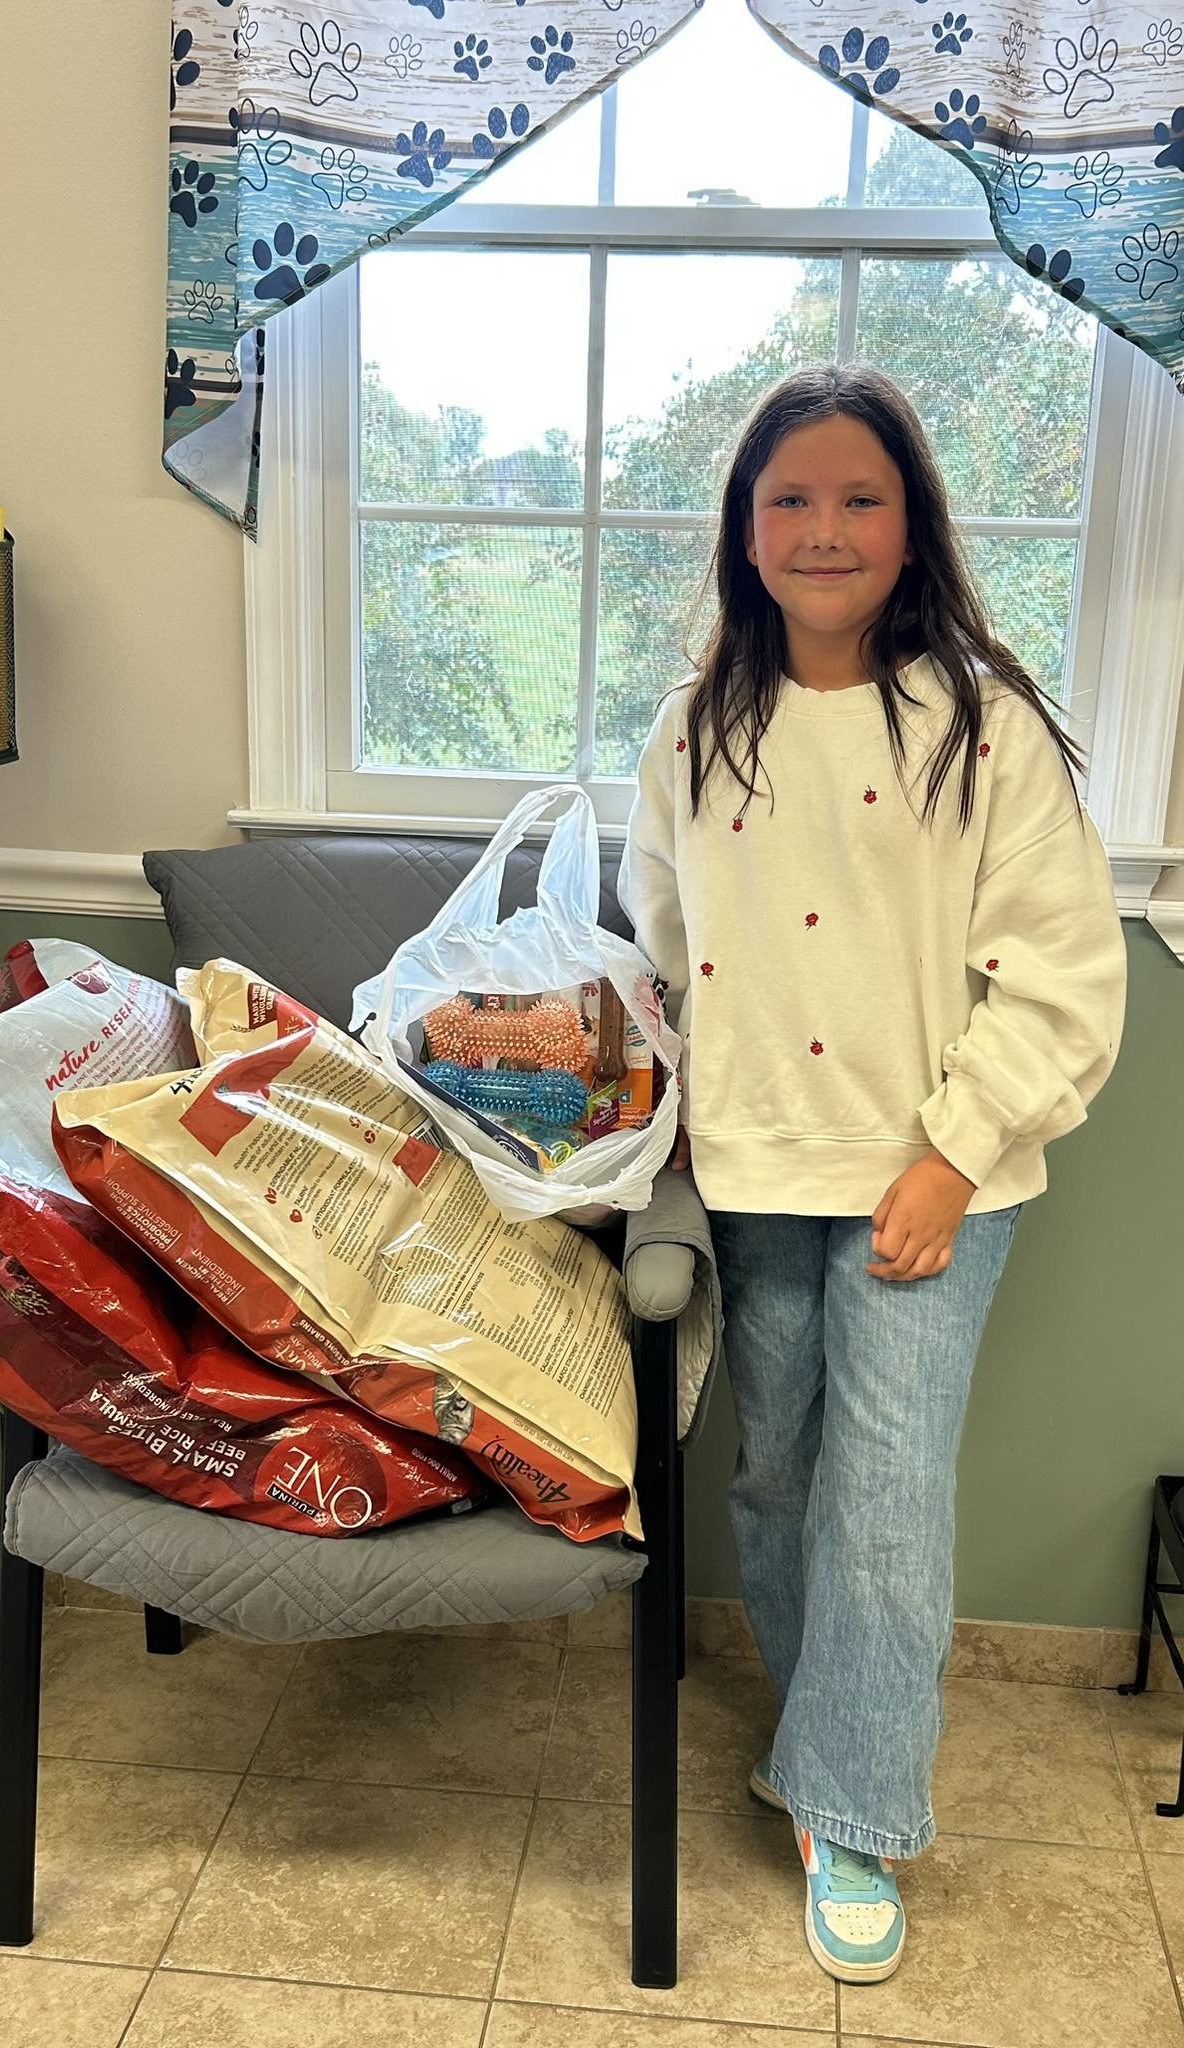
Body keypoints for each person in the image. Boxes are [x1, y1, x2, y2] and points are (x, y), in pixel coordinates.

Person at [617, 362, 1127, 1986]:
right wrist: (673, 1105)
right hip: (757, 1165)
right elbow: (663, 941)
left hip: (931, 1177)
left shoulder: (979, 726)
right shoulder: (697, 725)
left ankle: (849, 1805)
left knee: (887, 1496)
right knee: (777, 1475)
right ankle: (823, 1720)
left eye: (856, 497)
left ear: (909, 528)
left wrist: (953, 1154)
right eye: (787, 498)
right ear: (742, 529)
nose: (820, 528)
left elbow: (1060, 974)